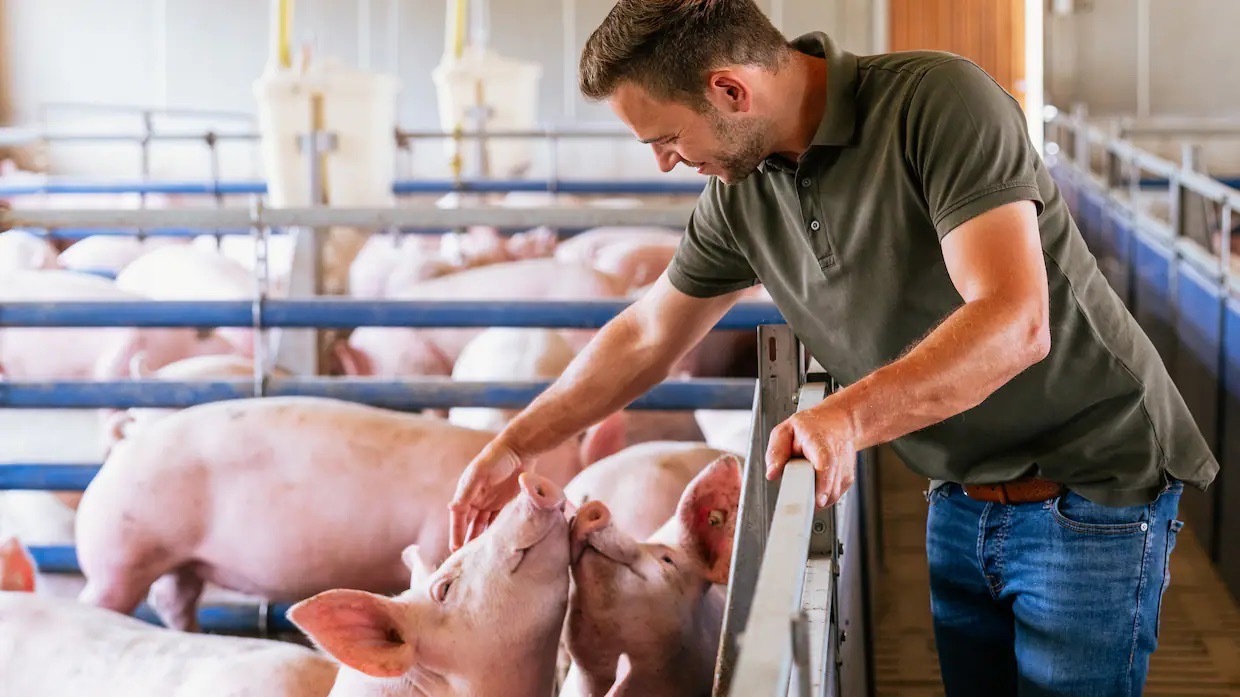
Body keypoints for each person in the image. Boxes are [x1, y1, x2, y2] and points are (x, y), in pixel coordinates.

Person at [448, 1, 1218, 695]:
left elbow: (1014, 320)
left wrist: (848, 416)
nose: (664, 162)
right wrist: (518, 442)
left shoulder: (936, 103)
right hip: (959, 492)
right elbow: (649, 333)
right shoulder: (741, 192)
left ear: (730, 91)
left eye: (668, 138)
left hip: (1087, 488)